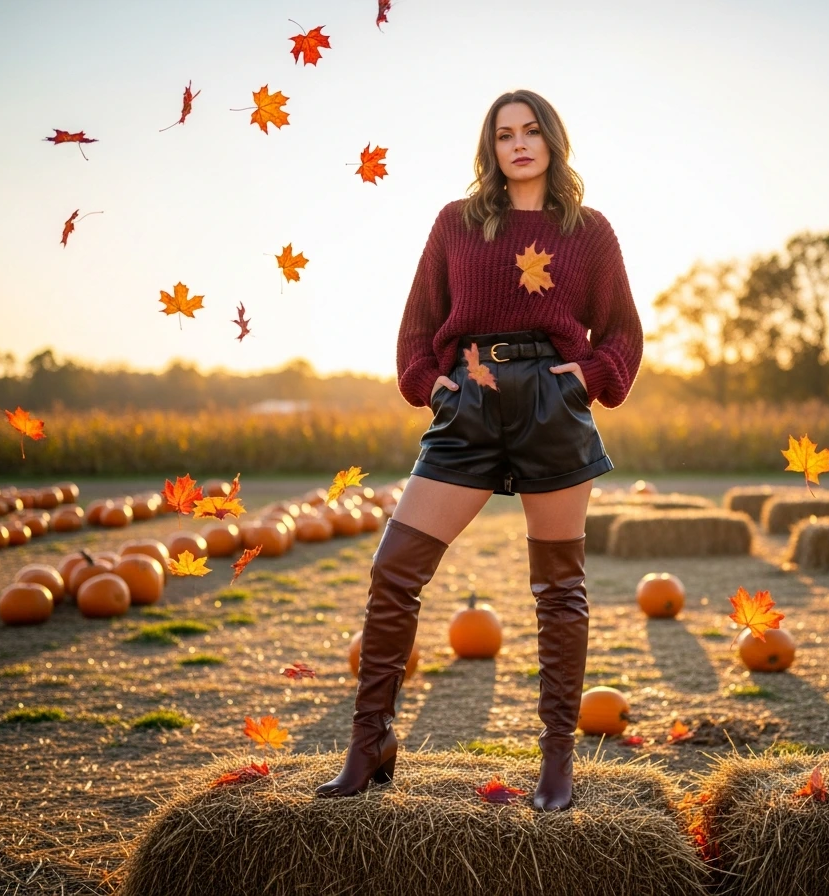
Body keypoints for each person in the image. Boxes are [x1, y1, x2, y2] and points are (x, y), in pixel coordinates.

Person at [316, 88, 642, 811]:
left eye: (531, 131)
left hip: (551, 407)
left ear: (553, 141)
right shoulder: (455, 225)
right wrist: (435, 390)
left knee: (558, 590)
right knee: (394, 571)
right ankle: (370, 741)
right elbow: (415, 332)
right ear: (490, 149)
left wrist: (587, 379)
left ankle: (557, 760)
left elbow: (622, 333)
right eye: (504, 135)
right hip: (468, 400)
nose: (519, 144)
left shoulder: (589, 232)